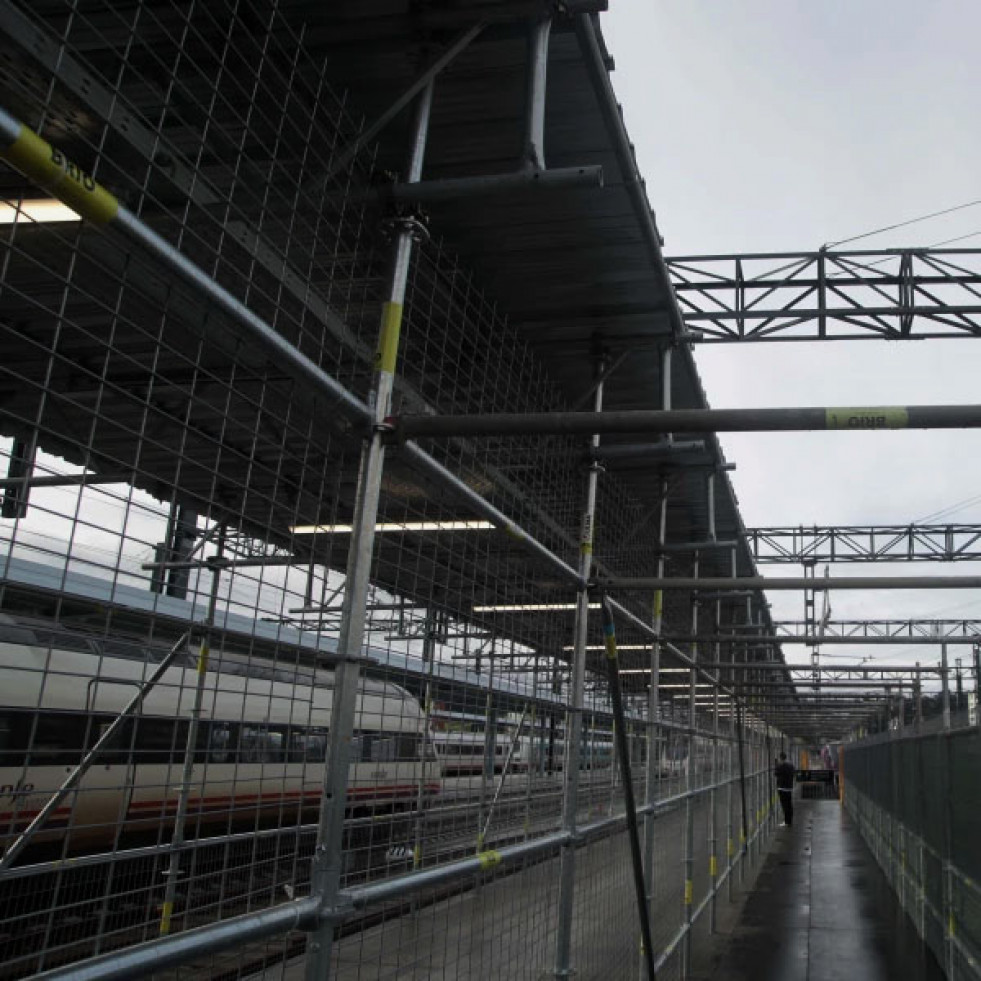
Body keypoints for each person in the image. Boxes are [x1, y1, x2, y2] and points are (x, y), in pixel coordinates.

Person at [774, 752, 795, 827]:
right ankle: (790, 820)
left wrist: (776, 764)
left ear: (780, 758)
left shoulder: (781, 766)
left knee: (784, 805)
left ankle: (786, 822)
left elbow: (776, 773)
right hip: (789, 788)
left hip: (782, 788)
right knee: (789, 805)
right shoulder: (791, 765)